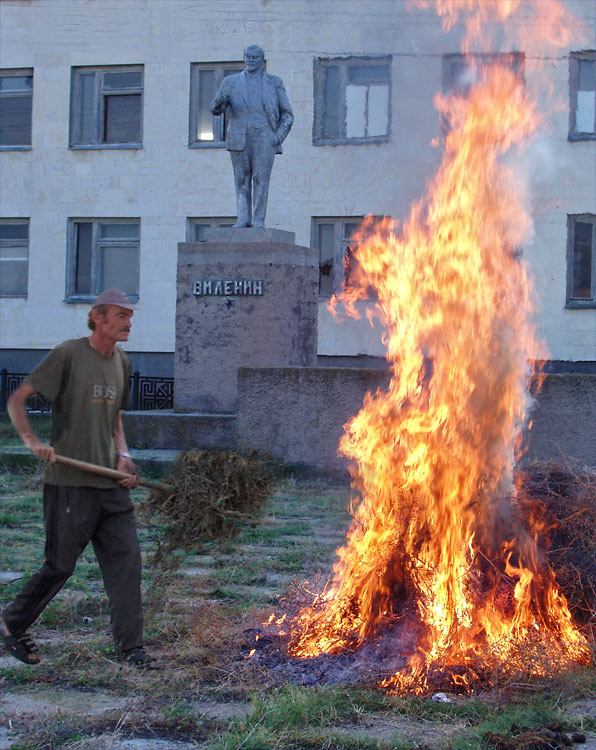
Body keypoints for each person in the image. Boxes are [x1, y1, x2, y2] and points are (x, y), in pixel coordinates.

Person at [0, 289, 155, 668]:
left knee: (127, 565)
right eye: (120, 315)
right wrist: (34, 443)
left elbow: (115, 417)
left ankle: (130, 649)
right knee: (60, 565)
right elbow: (17, 399)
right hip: (69, 482)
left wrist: (124, 456)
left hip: (111, 486)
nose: (128, 323)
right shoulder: (69, 354)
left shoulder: (122, 361)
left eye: (130, 316)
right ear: (98, 317)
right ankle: (11, 624)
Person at [210, 44, 293, 228]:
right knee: (241, 179)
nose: (250, 60)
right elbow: (216, 109)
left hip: (265, 137)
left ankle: (258, 221)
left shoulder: (274, 82)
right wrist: (219, 100)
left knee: (261, 179)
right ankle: (243, 219)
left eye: (254, 57)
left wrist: (277, 137)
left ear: (262, 61)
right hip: (239, 137)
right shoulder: (230, 82)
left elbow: (287, 114)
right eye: (247, 57)